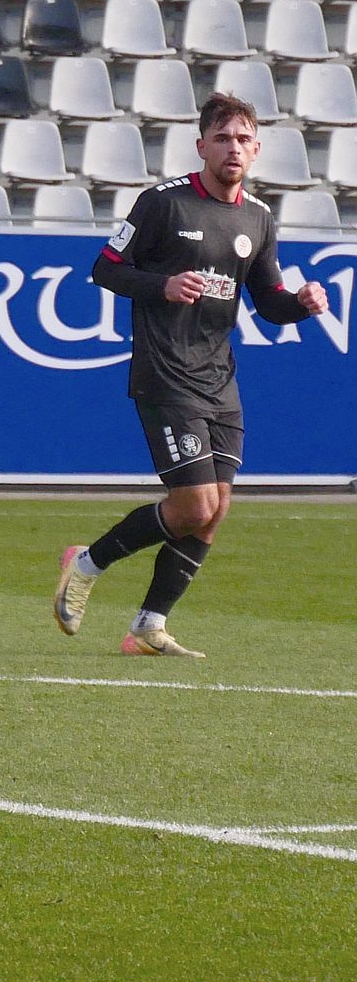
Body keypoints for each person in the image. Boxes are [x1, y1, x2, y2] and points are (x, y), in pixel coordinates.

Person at [53, 92, 328, 657]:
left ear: (257, 149)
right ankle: (86, 563)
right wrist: (163, 284)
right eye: (222, 138)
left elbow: (268, 301)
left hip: (219, 379)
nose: (234, 148)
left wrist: (301, 304)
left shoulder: (258, 217)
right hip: (165, 374)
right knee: (194, 506)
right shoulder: (163, 204)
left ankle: (148, 625)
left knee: (215, 510)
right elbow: (106, 268)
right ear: (201, 146)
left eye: (244, 139)